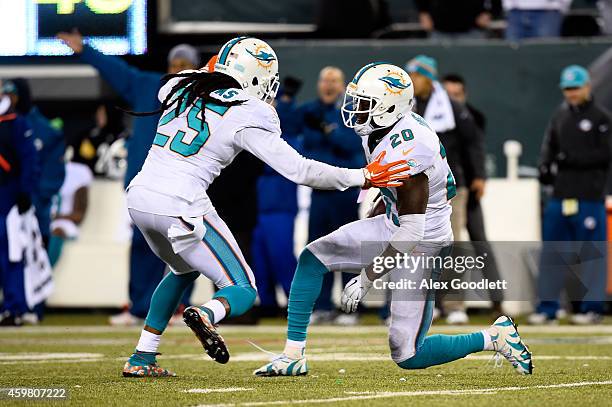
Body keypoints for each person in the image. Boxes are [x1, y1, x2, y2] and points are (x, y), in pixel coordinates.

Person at [120, 37, 408, 377]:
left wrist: (209, 70)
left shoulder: (182, 84)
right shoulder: (249, 111)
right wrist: (362, 176)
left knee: (184, 269)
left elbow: (169, 85)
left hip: (139, 196)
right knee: (242, 288)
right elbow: (300, 169)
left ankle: (142, 358)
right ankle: (208, 314)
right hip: (181, 201)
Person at [253, 62, 532, 377]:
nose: (354, 110)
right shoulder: (378, 129)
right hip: (394, 220)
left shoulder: (413, 147)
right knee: (313, 257)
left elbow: (413, 229)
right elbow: (391, 188)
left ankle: (494, 337)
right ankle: (292, 355)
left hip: (424, 240)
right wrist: (381, 204)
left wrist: (368, 277)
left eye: (364, 104)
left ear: (389, 107)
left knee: (408, 353)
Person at [57, 30, 199, 326]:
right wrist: (86, 49)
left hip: (183, 183)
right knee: (142, 245)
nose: (178, 69)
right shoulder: (147, 85)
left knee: (184, 246)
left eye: (185, 64)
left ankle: (179, 306)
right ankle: (140, 308)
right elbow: (115, 70)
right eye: (175, 64)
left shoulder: (202, 97)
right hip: (145, 182)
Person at [407, 55, 486, 324]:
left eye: (416, 75)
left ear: (428, 77)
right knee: (417, 245)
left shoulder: (452, 107)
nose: (412, 80)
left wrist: (479, 175)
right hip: (417, 186)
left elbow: (473, 142)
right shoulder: (405, 106)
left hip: (452, 186)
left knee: (453, 244)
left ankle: (454, 304)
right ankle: (425, 304)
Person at [530, 65, 611, 325]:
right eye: (567, 89)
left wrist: (572, 159)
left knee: (592, 254)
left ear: (587, 87)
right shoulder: (560, 116)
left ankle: (592, 308)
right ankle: (547, 308)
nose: (572, 94)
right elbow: (549, 148)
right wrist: (545, 167)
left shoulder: (601, 119)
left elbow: (605, 155)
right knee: (552, 253)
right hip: (560, 196)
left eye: (575, 88)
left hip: (589, 196)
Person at [299, 67, 365, 325]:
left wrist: (330, 130)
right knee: (319, 248)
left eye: (334, 81)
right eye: (325, 80)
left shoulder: (352, 113)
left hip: (345, 192)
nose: (329, 85)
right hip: (319, 192)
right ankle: (322, 305)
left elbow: (351, 146)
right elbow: (306, 145)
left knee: (349, 248)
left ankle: (350, 308)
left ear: (343, 85)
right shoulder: (309, 111)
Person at [442, 73, 503, 315]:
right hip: (447, 189)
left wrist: (480, 176)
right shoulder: (437, 118)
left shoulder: (473, 116)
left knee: (479, 241)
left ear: (464, 94)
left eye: (457, 95)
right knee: (445, 243)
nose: (454, 99)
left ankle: (497, 300)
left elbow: (477, 148)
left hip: (468, 186)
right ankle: (440, 304)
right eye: (449, 95)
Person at [251, 77, 303, 317]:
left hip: (280, 205)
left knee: (282, 256)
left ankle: (297, 303)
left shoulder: (287, 134)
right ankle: (268, 304)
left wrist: (286, 102)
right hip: (256, 206)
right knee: (258, 260)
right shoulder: (252, 129)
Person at [2, 79, 65, 247]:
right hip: (5, 211)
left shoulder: (47, 131)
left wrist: (30, 197)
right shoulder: (4, 126)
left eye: (12, 95)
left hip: (35, 215)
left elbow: (54, 175)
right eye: (5, 95)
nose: (9, 99)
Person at [0, 91, 40, 326]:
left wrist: (25, 191)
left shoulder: (15, 122)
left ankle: (15, 307)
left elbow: (29, 159)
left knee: (10, 251)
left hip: (8, 197)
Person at [415, 0, 498, 39]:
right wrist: (423, 12)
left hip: (473, 29)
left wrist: (489, 13)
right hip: (439, 29)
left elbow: (497, 4)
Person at [503, 0, 573, 41]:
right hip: (515, 11)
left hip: (549, 11)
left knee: (546, 53)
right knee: (512, 54)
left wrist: (562, 6)